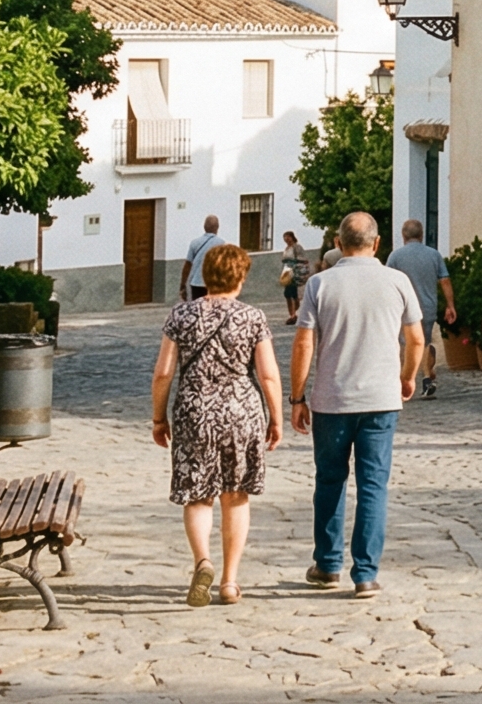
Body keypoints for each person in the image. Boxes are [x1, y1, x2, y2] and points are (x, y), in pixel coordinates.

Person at [290, 212, 423, 598]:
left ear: (338, 243)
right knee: (373, 485)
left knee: (330, 481)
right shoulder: (397, 281)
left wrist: (297, 396)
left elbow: (303, 343)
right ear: (377, 243)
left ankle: (328, 564)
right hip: (381, 400)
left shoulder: (320, 284)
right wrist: (407, 377)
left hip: (332, 399)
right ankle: (365, 573)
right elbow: (416, 340)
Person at [150, 243, 283, 607]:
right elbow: (268, 374)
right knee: (235, 494)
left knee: (198, 494)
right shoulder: (253, 317)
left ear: (205, 276)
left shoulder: (181, 315)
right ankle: (229, 581)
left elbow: (163, 373)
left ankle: (202, 562)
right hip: (241, 412)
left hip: (195, 412)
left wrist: (159, 418)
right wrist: (276, 417)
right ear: (240, 278)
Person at [384, 221, 456, 400]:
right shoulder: (434, 254)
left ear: (403, 235)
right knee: (425, 342)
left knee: (404, 344)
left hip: (403, 308)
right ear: (422, 235)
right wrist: (450, 305)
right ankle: (426, 379)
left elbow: (387, 283)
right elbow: (445, 280)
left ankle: (402, 384)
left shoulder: (395, 256)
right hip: (427, 307)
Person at [180, 215, 232, 302]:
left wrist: (183, 284)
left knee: (197, 307)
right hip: (214, 284)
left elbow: (187, 265)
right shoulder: (221, 244)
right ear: (217, 227)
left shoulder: (194, 243)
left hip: (196, 283)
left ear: (204, 227)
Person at [278, 232, 311, 323]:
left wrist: (294, 262)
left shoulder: (297, 247)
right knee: (289, 294)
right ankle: (293, 314)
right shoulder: (286, 248)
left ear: (292, 237)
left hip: (295, 272)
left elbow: (303, 259)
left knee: (292, 293)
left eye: (288, 237)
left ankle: (294, 314)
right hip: (287, 271)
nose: (286, 239)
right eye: (285, 237)